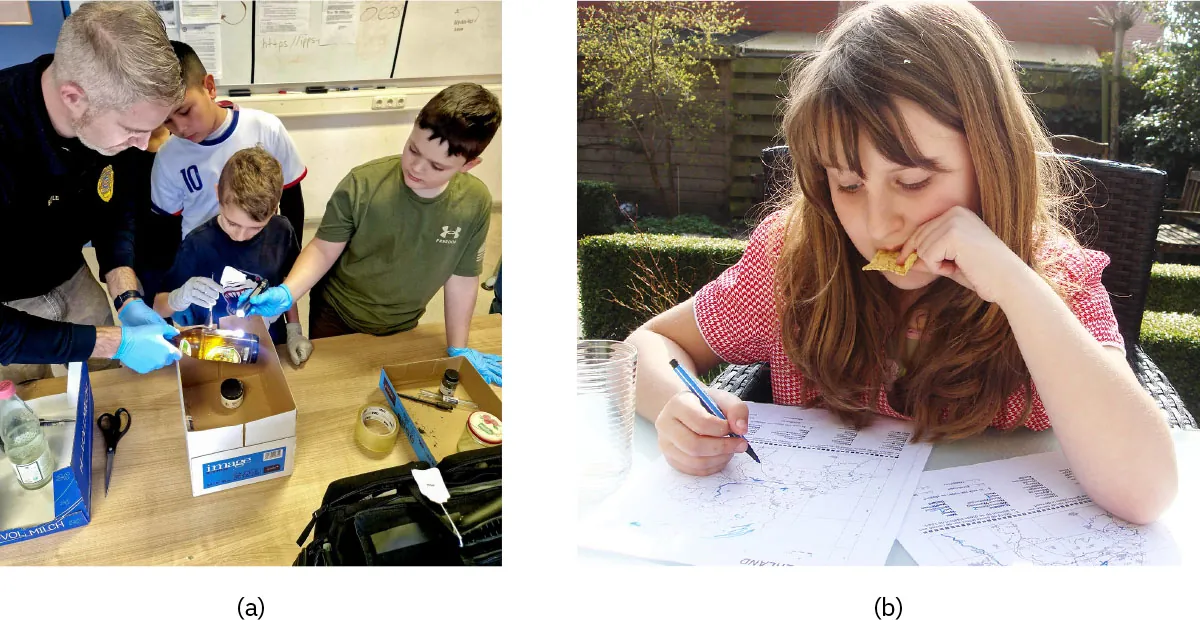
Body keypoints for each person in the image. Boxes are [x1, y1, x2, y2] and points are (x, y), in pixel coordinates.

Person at [624, 1, 1176, 525]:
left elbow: (1145, 490)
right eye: (847, 184)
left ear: (992, 161)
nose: (880, 223)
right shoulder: (797, 264)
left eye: (912, 180)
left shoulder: (1055, 278)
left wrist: (1016, 288)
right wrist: (681, 409)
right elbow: (647, 346)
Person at [240, 83, 502, 385]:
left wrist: (458, 347)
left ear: (469, 164)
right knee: (329, 390)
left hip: (403, 323)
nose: (416, 167)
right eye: (413, 149)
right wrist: (289, 292)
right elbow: (324, 248)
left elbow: (463, 277)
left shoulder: (474, 203)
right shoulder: (363, 184)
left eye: (437, 166)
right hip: (337, 316)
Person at [0, 1, 184, 378]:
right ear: (73, 97)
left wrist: (127, 294)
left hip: (70, 274)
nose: (145, 143)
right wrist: (114, 341)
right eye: (132, 130)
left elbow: (116, 209)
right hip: (6, 309)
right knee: (27, 412)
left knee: (110, 387)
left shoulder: (116, 121)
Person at [152, 146, 312, 366]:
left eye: (255, 228)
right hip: (214, 350)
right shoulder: (197, 244)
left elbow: (288, 283)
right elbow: (158, 307)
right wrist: (178, 298)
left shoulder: (281, 231)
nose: (240, 235)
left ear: (275, 208)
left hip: (269, 344)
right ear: (218, 194)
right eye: (232, 222)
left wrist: (294, 330)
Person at [152, 41, 307, 240]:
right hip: (201, 260)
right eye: (167, 121)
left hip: (259, 254)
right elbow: (167, 228)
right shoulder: (168, 157)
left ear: (209, 87)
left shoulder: (266, 129)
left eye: (185, 111)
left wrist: (292, 259)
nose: (180, 128)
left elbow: (292, 200)